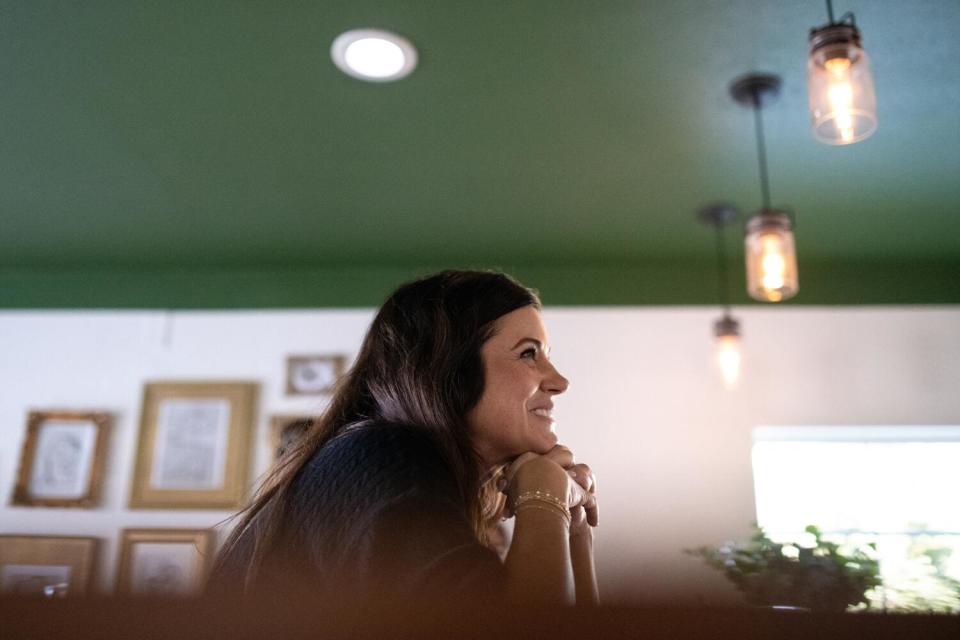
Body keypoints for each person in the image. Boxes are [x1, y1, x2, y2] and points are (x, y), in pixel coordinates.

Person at [208, 270, 598, 606]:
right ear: (448, 370)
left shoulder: (394, 467)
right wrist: (544, 497)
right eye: (529, 354)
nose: (559, 381)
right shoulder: (386, 453)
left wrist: (573, 529)